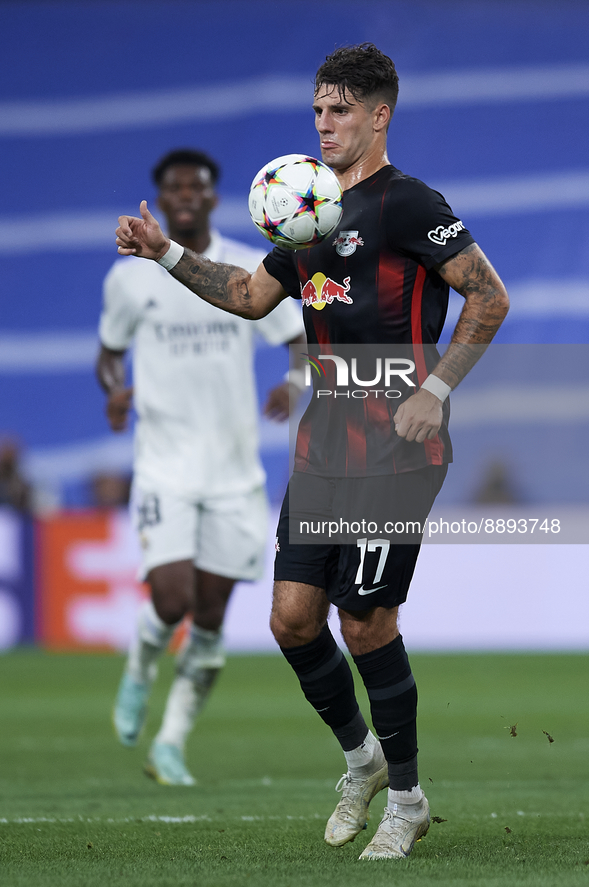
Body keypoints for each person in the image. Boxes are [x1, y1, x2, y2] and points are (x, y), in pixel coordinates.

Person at [114, 45, 509, 860]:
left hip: (399, 439)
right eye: (318, 110)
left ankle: (404, 800)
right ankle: (360, 760)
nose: (324, 123)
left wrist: (435, 391)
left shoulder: (407, 204)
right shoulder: (302, 211)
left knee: (365, 622)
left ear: (378, 116)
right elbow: (251, 297)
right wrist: (166, 253)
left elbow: (488, 294)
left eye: (340, 110)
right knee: (293, 619)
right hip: (324, 436)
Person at [97, 148, 305, 786]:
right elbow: (108, 354)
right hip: (164, 465)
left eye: (197, 186)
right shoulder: (129, 279)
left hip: (234, 473)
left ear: (214, 197)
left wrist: (294, 383)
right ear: (162, 198)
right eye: (174, 187)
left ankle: (171, 743)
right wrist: (114, 391)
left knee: (211, 615)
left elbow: (298, 341)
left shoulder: (243, 267)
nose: (186, 195)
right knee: (172, 596)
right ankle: (139, 671)